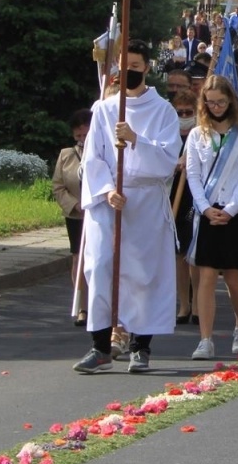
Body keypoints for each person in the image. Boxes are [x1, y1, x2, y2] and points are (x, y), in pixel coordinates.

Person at [74, 40, 182, 374]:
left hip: (146, 200)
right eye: (125, 67)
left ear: (147, 68)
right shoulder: (105, 109)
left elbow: (167, 160)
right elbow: (93, 157)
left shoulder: (162, 110)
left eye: (136, 67)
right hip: (111, 202)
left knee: (142, 273)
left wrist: (136, 139)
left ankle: (140, 345)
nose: (129, 73)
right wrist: (107, 190)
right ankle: (100, 345)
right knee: (101, 265)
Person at [182, 74, 238, 360]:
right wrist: (204, 208)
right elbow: (194, 177)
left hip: (235, 212)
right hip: (207, 213)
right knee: (206, 276)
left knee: (234, 277)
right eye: (210, 102)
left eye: (221, 102)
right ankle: (205, 339)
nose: (215, 107)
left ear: (230, 101)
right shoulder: (196, 135)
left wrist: (230, 209)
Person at [52, 109, 92, 327]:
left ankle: (100, 304)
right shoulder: (65, 155)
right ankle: (81, 307)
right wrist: (75, 205)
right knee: (79, 258)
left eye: (85, 135)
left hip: (99, 213)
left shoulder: (105, 150)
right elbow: (58, 187)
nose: (82, 140)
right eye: (78, 136)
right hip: (76, 216)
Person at [168, 93, 199, 323]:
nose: (185, 117)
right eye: (180, 113)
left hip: (195, 197)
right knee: (178, 253)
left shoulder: (201, 135)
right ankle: (184, 303)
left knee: (193, 252)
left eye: (189, 113)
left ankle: (198, 301)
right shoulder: (168, 136)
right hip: (170, 196)